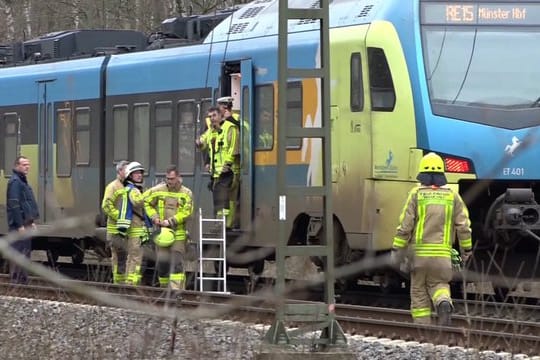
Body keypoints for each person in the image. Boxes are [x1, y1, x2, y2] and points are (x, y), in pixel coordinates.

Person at [392, 152, 472, 326]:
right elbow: (464, 226)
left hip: (418, 257)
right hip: (442, 258)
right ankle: (443, 302)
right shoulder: (453, 196)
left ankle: (424, 332)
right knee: (440, 285)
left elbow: (405, 226)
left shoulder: (416, 194)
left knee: (419, 293)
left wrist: (397, 250)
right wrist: (466, 251)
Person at [144, 165, 193, 291]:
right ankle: (164, 289)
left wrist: (171, 221)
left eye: (171, 179)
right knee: (163, 264)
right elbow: (147, 203)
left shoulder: (186, 193)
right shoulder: (159, 190)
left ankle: (177, 292)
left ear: (178, 178)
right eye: (167, 179)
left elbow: (187, 212)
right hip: (162, 235)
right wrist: (154, 217)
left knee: (177, 264)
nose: (169, 181)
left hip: (178, 235)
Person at [196, 107, 240, 228]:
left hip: (229, 170)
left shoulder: (230, 128)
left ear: (221, 116)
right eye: (210, 116)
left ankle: (224, 224)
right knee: (220, 197)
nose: (211, 119)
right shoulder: (211, 130)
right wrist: (199, 142)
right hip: (216, 172)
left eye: (214, 116)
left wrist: (228, 164)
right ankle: (223, 224)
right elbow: (203, 142)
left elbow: (233, 148)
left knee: (224, 197)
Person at [117, 161, 151, 285]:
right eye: (136, 173)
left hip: (135, 230)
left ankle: (130, 281)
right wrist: (150, 193)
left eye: (140, 173)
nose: (139, 175)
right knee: (136, 257)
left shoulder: (133, 189)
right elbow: (137, 202)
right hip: (135, 230)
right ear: (130, 176)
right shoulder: (133, 190)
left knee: (132, 257)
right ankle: (132, 283)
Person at [6, 156, 39, 284]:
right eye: (24, 164)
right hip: (18, 226)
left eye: (28, 164)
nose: (27, 167)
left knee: (24, 254)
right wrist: (20, 225)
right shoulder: (15, 182)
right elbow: (14, 205)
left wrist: (31, 222)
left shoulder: (22, 181)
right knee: (18, 253)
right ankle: (16, 283)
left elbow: (26, 204)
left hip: (26, 224)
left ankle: (23, 282)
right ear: (17, 166)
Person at [101, 160, 129, 284]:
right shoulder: (112, 187)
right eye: (126, 170)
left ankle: (123, 284)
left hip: (126, 230)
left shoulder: (128, 186)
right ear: (119, 171)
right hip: (116, 231)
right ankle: (118, 285)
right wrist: (121, 217)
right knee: (118, 260)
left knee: (126, 260)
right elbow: (106, 206)